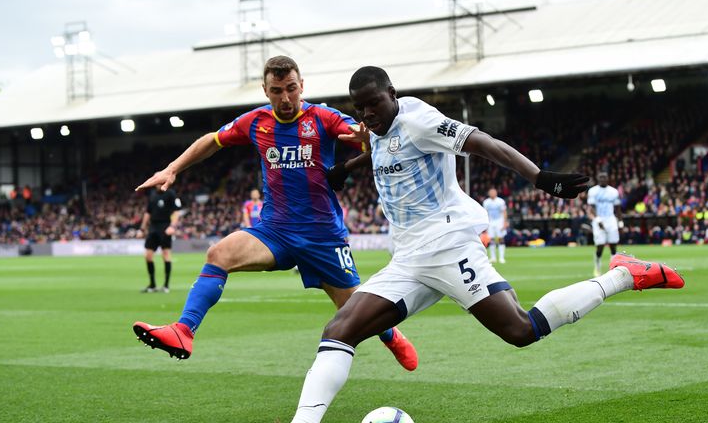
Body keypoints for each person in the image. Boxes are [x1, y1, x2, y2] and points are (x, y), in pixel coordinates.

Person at [289, 66, 684, 423]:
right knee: (339, 329)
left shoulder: (420, 120)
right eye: (360, 109)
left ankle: (622, 276)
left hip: (448, 245)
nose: (367, 115)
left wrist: (539, 176)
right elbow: (381, 149)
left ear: (392, 93)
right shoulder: (378, 128)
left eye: (374, 104)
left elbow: (484, 142)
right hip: (408, 258)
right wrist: (345, 168)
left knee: (520, 329)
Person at [131, 56, 417, 371]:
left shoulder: (322, 118)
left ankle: (391, 336)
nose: (285, 98)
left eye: (291, 89)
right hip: (275, 231)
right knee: (219, 254)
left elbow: (360, 136)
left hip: (322, 237)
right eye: (277, 90)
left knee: (356, 310)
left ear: (301, 86)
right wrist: (171, 169)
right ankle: (184, 330)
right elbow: (211, 142)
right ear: (265, 90)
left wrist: (367, 141)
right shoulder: (255, 122)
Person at [140, 185, 182, 293]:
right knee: (148, 256)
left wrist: (172, 226)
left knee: (166, 254)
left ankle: (166, 285)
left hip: (165, 227)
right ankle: (152, 285)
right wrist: (142, 228)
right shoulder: (152, 194)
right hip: (153, 228)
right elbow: (148, 212)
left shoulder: (171, 193)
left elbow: (176, 212)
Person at [587, 172, 622, 276]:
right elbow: (591, 208)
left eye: (604, 177)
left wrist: (620, 222)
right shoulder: (593, 191)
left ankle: (613, 269)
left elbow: (618, 208)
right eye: (600, 177)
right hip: (599, 219)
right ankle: (597, 267)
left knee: (613, 245)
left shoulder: (613, 191)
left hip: (611, 219)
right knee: (600, 245)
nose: (603, 179)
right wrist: (598, 220)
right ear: (597, 178)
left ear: (608, 178)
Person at [482, 187, 507, 263]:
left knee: (500, 239)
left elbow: (504, 212)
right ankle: (493, 258)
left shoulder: (500, 201)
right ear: (489, 193)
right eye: (491, 192)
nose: (492, 193)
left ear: (496, 193)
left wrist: (505, 222)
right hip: (490, 221)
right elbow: (485, 213)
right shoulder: (486, 202)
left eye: (493, 192)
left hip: (499, 221)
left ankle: (501, 257)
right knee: (491, 239)